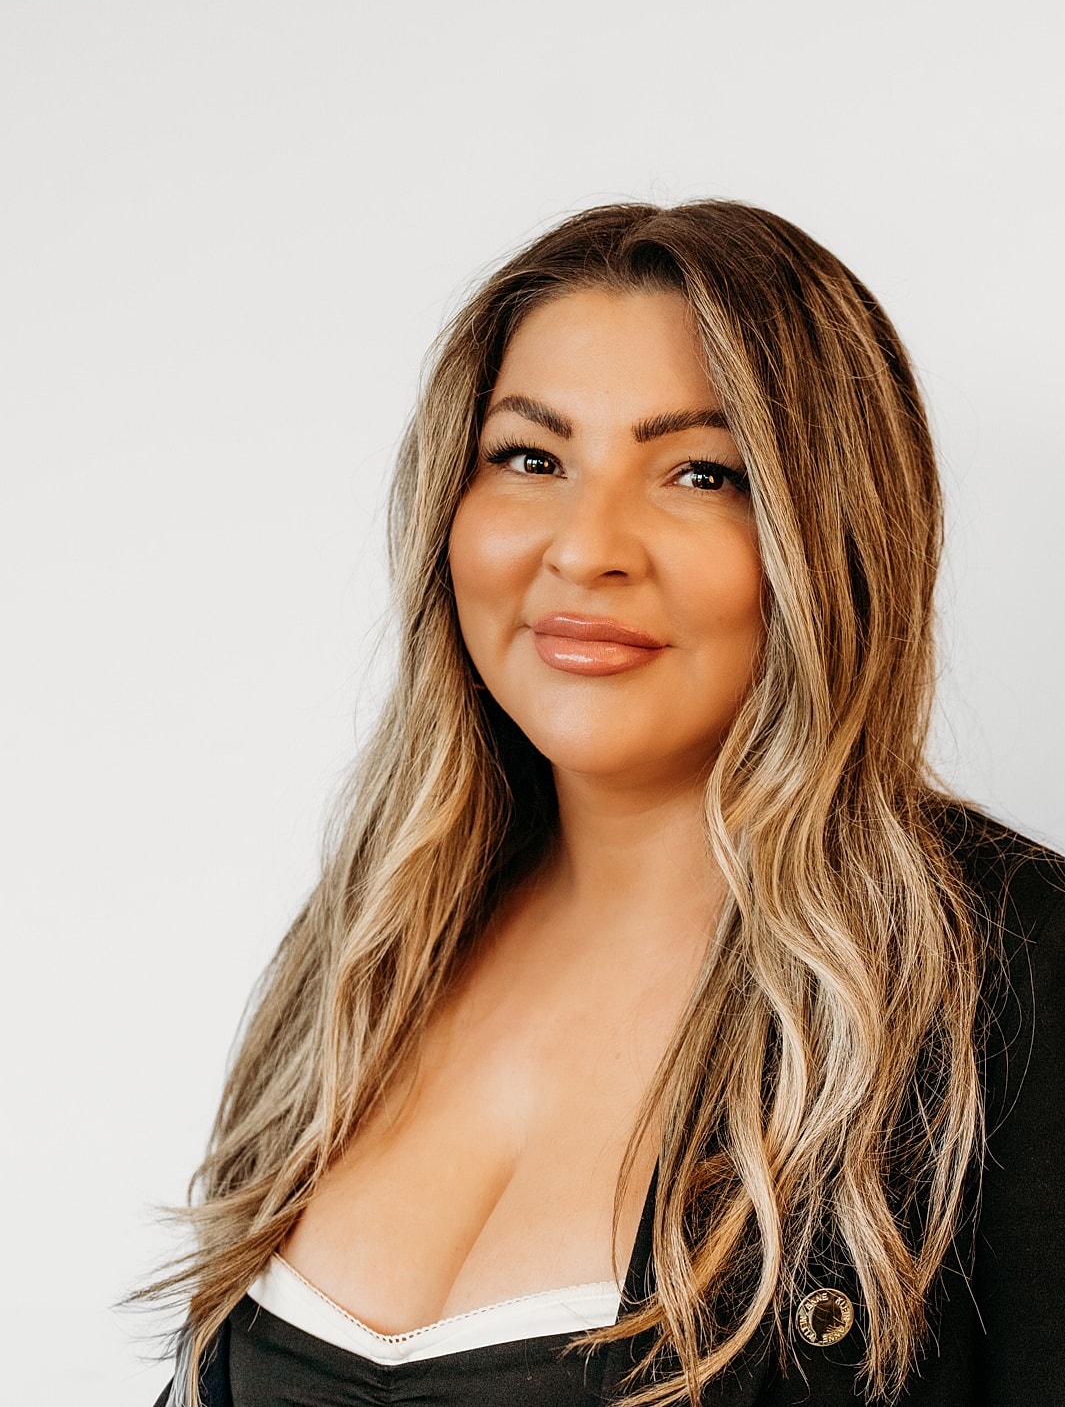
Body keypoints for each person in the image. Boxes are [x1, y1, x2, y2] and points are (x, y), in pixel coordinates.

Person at [146, 201, 1065, 1406]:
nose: (587, 549)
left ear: (834, 534)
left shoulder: (1018, 981)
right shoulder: (367, 953)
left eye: (702, 473)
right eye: (531, 459)